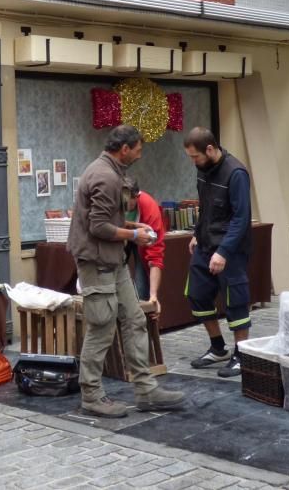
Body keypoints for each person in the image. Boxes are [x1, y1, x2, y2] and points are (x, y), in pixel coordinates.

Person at [67, 124, 185, 418]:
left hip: (112, 261)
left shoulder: (108, 172)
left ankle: (146, 390)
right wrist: (134, 237)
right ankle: (91, 395)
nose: (140, 155)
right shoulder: (105, 177)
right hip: (97, 263)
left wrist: (133, 225)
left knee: (134, 319)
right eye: (138, 149)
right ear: (124, 149)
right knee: (102, 327)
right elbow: (97, 227)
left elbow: (105, 219)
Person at [183, 126, 253, 378]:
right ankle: (218, 348)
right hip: (204, 244)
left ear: (210, 149)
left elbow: (241, 218)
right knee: (197, 294)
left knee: (235, 301)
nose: (193, 162)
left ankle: (242, 354)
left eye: (195, 157)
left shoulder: (236, 173)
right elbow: (205, 207)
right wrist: (196, 233)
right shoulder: (202, 171)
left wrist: (223, 252)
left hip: (231, 249)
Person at [123, 178, 166, 312]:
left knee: (142, 288)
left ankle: (143, 324)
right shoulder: (112, 200)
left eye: (127, 203)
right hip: (118, 239)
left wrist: (153, 295)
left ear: (136, 197)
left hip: (142, 240)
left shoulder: (149, 207)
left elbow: (155, 256)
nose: (123, 206)